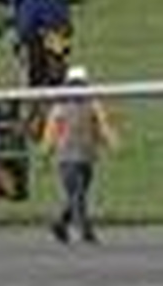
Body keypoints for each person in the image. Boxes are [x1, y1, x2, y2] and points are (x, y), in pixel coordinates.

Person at [40, 65, 118, 245]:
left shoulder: (92, 104)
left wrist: (111, 142)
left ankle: (59, 224)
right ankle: (86, 231)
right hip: (67, 158)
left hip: (86, 156)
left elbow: (102, 126)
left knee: (75, 195)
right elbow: (51, 132)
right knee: (78, 195)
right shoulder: (60, 106)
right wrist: (46, 152)